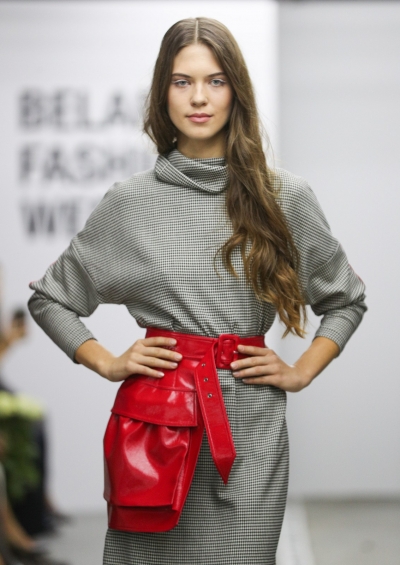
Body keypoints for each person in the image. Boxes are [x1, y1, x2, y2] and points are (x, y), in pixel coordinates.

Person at [27, 17, 367, 565]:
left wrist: (302, 371)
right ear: (162, 94)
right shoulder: (130, 202)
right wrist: (107, 362)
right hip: (156, 423)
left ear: (237, 91)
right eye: (182, 81)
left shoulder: (284, 197)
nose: (199, 98)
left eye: (216, 80)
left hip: (249, 426)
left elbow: (345, 299)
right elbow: (51, 298)